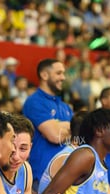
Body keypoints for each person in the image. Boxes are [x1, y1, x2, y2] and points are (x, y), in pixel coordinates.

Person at [22, 58, 73, 187]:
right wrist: (67, 127)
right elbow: (55, 136)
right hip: (42, 176)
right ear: (44, 75)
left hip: (66, 174)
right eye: (59, 73)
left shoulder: (65, 106)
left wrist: (58, 126)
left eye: (63, 73)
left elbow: (78, 134)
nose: (63, 77)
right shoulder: (35, 101)